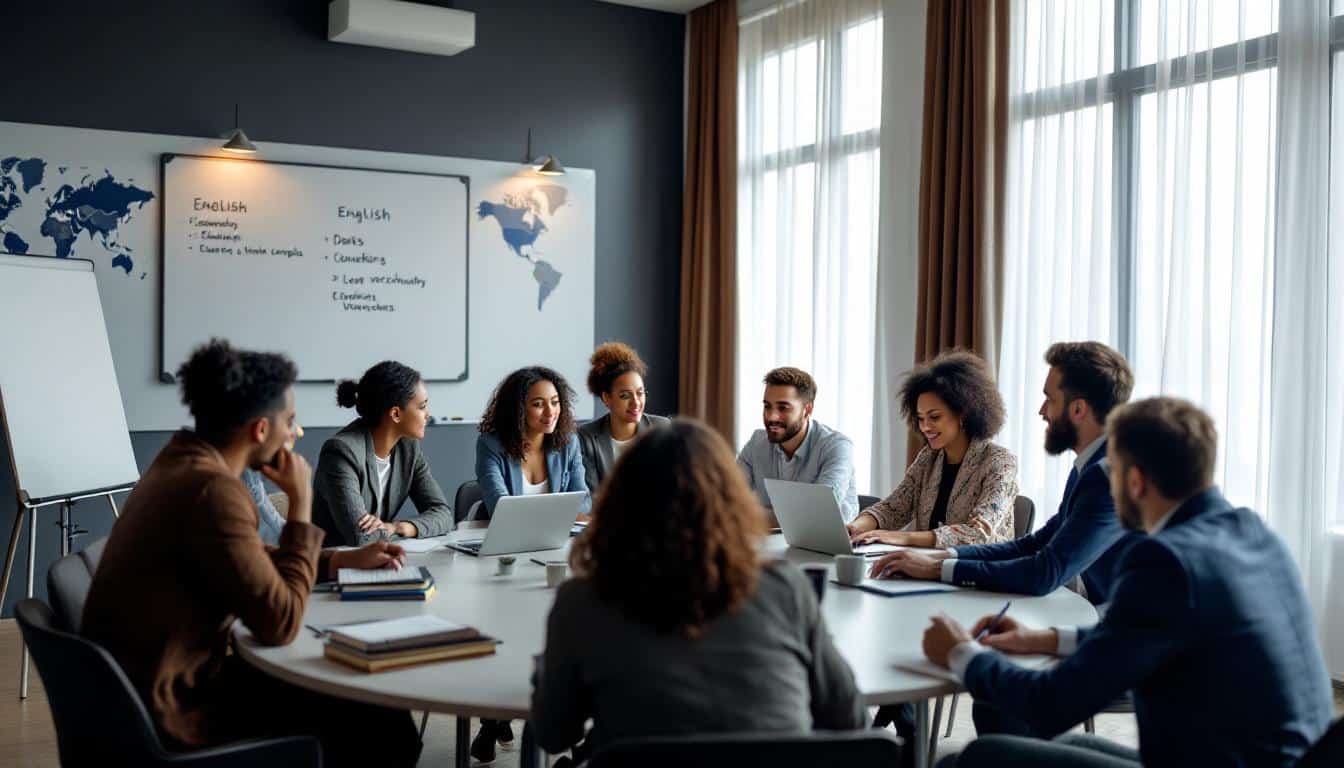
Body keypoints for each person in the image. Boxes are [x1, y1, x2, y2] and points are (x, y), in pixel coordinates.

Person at [925, 397, 1333, 768]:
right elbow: (1157, 638)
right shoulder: (1254, 532)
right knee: (1068, 746)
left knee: (981, 756)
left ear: (1135, 481)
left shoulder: (1165, 562)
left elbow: (1052, 703)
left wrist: (962, 654)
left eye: (1112, 473)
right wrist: (1046, 639)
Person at [81, 340, 419, 767]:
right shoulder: (214, 491)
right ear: (261, 430)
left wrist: (337, 560)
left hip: (143, 692)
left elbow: (246, 557)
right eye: (291, 422)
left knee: (368, 705)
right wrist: (299, 502)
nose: (296, 434)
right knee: (380, 719)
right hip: (177, 708)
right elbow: (279, 623)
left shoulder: (181, 462)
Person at [532, 419, 865, 758]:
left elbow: (554, 733)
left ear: (621, 501)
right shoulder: (785, 589)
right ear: (730, 499)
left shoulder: (581, 602)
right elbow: (849, 718)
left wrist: (546, 670)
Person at [870, 342, 1138, 604]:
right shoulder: (1089, 466)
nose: (1042, 411)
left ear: (1078, 409)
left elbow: (1045, 571)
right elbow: (1034, 544)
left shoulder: (1109, 476)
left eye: (1049, 399)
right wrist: (942, 558)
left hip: (1108, 619)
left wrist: (937, 569)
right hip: (1072, 600)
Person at [471, 365, 590, 760]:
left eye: (555, 402)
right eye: (538, 404)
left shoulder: (567, 442)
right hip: (506, 553)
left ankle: (546, 706)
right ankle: (493, 717)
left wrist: (556, 513)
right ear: (517, 409)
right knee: (505, 629)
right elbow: (496, 502)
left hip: (553, 549)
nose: (549, 412)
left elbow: (583, 499)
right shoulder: (491, 443)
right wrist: (555, 511)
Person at [848, 350, 1017, 548]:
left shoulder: (1000, 461)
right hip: (926, 566)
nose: (925, 427)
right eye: (920, 418)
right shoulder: (929, 457)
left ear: (962, 413)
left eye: (934, 417)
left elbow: (977, 534)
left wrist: (901, 537)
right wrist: (856, 527)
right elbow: (893, 508)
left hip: (979, 571)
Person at [312, 360, 454, 547]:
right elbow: (361, 537)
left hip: (377, 560)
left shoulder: (408, 448)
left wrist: (400, 527)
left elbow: (443, 515)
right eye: (422, 406)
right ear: (396, 414)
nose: (428, 414)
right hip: (336, 565)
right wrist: (389, 531)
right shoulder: (341, 452)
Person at [737, 366, 859, 522]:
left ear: (807, 410)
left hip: (824, 543)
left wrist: (756, 514)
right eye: (767, 406)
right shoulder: (756, 443)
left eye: (783, 408)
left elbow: (820, 512)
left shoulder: (837, 446)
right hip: (768, 543)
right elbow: (726, 498)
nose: (772, 416)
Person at [575, 342, 669, 494]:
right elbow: (592, 497)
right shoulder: (587, 438)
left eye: (640, 393)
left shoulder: (661, 428)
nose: (636, 402)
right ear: (607, 398)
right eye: (625, 395)